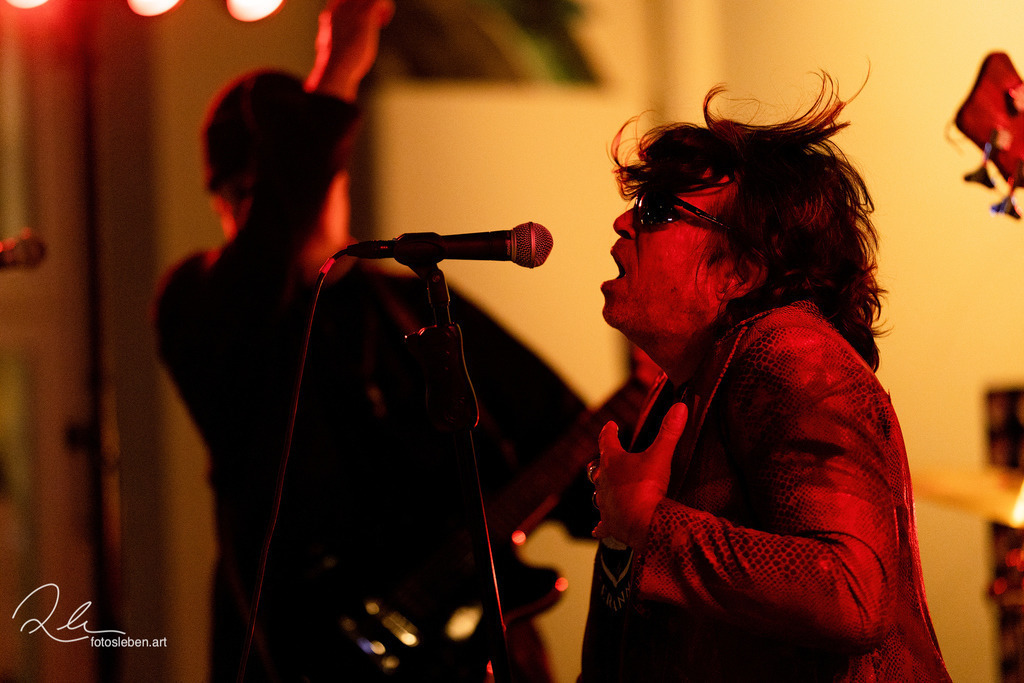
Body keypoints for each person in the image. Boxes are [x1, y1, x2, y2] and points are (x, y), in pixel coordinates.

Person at [153, 1, 592, 680]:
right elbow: (273, 239)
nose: (286, 208)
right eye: (251, 196)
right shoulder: (203, 304)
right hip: (303, 656)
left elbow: (554, 426)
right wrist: (341, 66)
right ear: (227, 203)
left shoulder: (409, 296)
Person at [581, 76, 951, 681]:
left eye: (657, 211)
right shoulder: (681, 387)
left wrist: (649, 525)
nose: (624, 221)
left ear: (740, 272)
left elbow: (850, 594)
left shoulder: (791, 354)